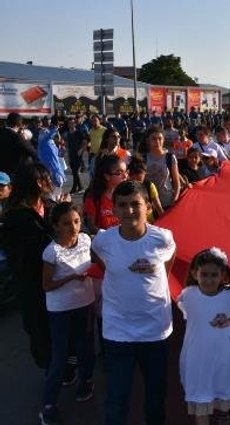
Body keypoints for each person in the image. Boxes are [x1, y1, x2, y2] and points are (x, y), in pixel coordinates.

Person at [91, 180, 176, 425]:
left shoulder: (162, 238)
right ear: (114, 209)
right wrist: (115, 273)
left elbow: (169, 257)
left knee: (156, 396)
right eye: (122, 205)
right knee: (117, 397)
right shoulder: (104, 241)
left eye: (135, 204)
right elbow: (97, 256)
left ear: (147, 206)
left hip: (155, 331)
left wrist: (161, 280)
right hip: (118, 332)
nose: (129, 211)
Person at [39, 202, 96, 425]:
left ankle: (86, 381)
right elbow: (47, 285)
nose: (73, 227)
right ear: (56, 226)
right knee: (59, 357)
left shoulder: (85, 239)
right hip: (61, 309)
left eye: (76, 221)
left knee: (86, 347)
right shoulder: (51, 252)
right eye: (66, 223)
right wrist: (71, 278)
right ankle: (49, 405)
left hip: (85, 303)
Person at [2, 163, 62, 369]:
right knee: (38, 327)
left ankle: (64, 363)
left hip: (58, 279)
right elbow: (17, 255)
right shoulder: (15, 217)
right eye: (46, 178)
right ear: (37, 183)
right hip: (32, 283)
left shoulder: (50, 206)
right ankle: (48, 367)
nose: (50, 182)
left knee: (61, 325)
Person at [178, 247, 230, 425]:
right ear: (194, 273)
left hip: (224, 356)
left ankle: (224, 412)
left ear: (223, 275)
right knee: (201, 397)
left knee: (222, 392)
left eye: (214, 275)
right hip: (197, 357)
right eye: (204, 274)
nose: (209, 279)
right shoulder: (188, 296)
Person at [82, 154, 127, 234]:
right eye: (119, 173)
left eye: (126, 171)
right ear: (107, 176)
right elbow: (92, 227)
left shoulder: (127, 195)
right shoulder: (93, 197)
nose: (125, 176)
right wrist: (109, 236)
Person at [144, 127, 181, 209]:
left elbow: (176, 182)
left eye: (160, 138)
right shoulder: (143, 158)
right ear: (148, 141)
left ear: (163, 140)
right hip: (149, 203)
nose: (157, 141)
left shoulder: (170, 157)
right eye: (153, 139)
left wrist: (174, 200)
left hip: (168, 201)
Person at [127, 155, 165, 222]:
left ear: (145, 173)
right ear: (129, 175)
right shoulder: (125, 188)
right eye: (134, 180)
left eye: (140, 181)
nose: (137, 184)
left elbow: (159, 209)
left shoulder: (150, 186)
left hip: (150, 223)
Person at [37, 116, 66, 201]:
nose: (45, 131)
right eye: (43, 131)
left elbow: (58, 154)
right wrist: (56, 128)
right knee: (49, 194)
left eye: (45, 131)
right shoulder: (43, 142)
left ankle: (55, 203)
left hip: (56, 168)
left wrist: (62, 151)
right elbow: (49, 135)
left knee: (57, 192)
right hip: (48, 169)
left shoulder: (51, 142)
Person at [61, 117, 88, 194]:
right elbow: (67, 144)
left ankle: (74, 188)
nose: (71, 124)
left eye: (73, 123)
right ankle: (80, 187)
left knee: (76, 172)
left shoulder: (79, 133)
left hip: (78, 155)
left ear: (75, 124)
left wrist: (81, 150)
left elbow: (85, 142)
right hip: (71, 155)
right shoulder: (68, 134)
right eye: (70, 123)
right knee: (74, 172)